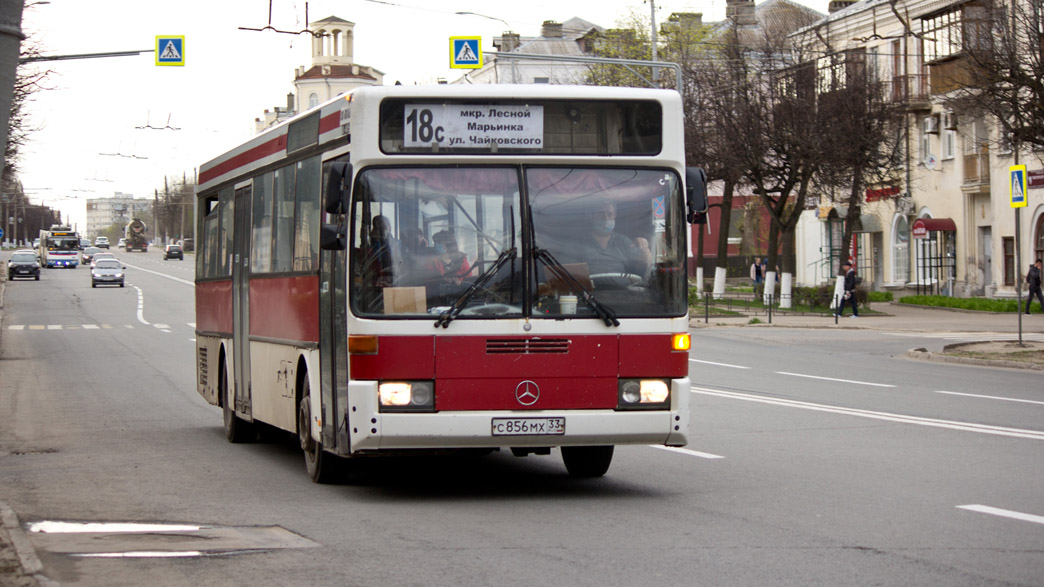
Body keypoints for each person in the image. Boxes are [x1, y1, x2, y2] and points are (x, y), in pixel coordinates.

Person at [579, 198, 652, 276]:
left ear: (615, 216)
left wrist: (644, 250)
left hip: (622, 288)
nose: (606, 218)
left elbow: (641, 270)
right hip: (591, 288)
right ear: (592, 216)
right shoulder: (579, 243)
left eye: (609, 214)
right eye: (600, 214)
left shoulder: (623, 242)